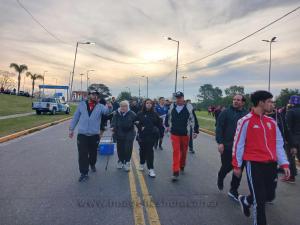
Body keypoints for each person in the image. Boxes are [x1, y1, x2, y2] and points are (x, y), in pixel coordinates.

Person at [233, 90, 290, 225]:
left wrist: (284, 163)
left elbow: (278, 144)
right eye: (270, 101)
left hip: (271, 164)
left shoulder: (271, 121)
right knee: (260, 200)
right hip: (254, 164)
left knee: (269, 196)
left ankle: (245, 200)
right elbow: (238, 144)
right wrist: (237, 164)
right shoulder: (245, 121)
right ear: (261, 103)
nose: (272, 104)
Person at [69, 88, 112, 182]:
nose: (95, 96)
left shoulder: (100, 106)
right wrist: (71, 129)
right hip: (82, 134)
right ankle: (84, 173)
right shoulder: (81, 104)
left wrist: (109, 106)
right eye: (93, 94)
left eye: (96, 95)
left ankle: (92, 164)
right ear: (89, 95)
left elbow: (107, 112)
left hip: (94, 135)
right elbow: (76, 117)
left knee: (93, 154)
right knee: (82, 154)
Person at [215, 94, 248, 201]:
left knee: (238, 169)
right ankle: (221, 176)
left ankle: (233, 190)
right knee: (227, 167)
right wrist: (220, 143)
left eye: (238, 100)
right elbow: (219, 127)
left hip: (241, 148)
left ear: (243, 102)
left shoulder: (246, 114)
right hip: (227, 146)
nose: (235, 101)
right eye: (234, 100)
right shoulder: (225, 112)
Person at [165, 91, 198, 181]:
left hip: (185, 134)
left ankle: (182, 164)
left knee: (184, 151)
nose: (178, 99)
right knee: (176, 152)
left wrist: (195, 131)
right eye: (177, 98)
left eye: (180, 97)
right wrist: (167, 126)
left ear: (183, 98)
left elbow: (193, 119)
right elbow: (168, 117)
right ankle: (175, 172)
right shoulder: (172, 106)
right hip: (174, 133)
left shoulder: (189, 107)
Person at [135, 99, 161, 178]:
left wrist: (156, 129)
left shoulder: (155, 114)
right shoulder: (140, 113)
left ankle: (151, 169)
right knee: (142, 150)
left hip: (151, 136)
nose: (149, 104)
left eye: (150, 103)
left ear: (152, 105)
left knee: (150, 151)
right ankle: (142, 163)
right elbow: (135, 121)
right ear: (144, 104)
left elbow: (159, 124)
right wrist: (140, 127)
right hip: (142, 136)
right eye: (147, 103)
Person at [111, 100, 136, 172]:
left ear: (128, 107)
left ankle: (127, 162)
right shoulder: (116, 113)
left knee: (128, 148)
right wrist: (112, 127)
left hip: (129, 133)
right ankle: (121, 160)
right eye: (122, 106)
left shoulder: (132, 113)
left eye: (125, 106)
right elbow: (113, 122)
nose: (123, 107)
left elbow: (137, 121)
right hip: (119, 133)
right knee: (120, 148)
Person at [284, 95, 300, 183]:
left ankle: (292, 176)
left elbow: (288, 127)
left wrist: (287, 139)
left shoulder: (290, 111)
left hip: (292, 138)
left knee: (291, 158)